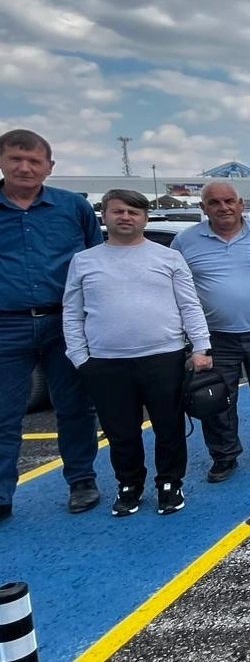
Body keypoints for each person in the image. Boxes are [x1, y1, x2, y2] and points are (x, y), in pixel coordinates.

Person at [63, 189, 211, 517]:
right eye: (118, 211)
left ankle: (170, 483)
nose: (126, 217)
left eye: (133, 212)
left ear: (145, 218)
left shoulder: (168, 257)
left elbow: (189, 304)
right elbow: (72, 312)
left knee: (169, 427)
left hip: (163, 356)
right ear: (105, 216)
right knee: (121, 431)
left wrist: (201, 346)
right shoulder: (84, 261)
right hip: (105, 361)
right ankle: (129, 485)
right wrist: (79, 357)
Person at [0, 129, 102, 520]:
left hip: (65, 321)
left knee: (75, 406)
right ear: (3, 162)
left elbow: (97, 261)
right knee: (5, 415)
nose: (24, 168)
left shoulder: (73, 207)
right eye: (16, 159)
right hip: (7, 325)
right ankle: (2, 496)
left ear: (49, 166)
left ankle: (82, 481)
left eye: (34, 161)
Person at [173, 182, 250, 482]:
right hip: (215, 336)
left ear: (241, 204)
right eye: (214, 202)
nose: (224, 207)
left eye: (229, 201)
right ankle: (224, 455)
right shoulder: (184, 242)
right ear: (203, 208)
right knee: (216, 399)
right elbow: (176, 286)